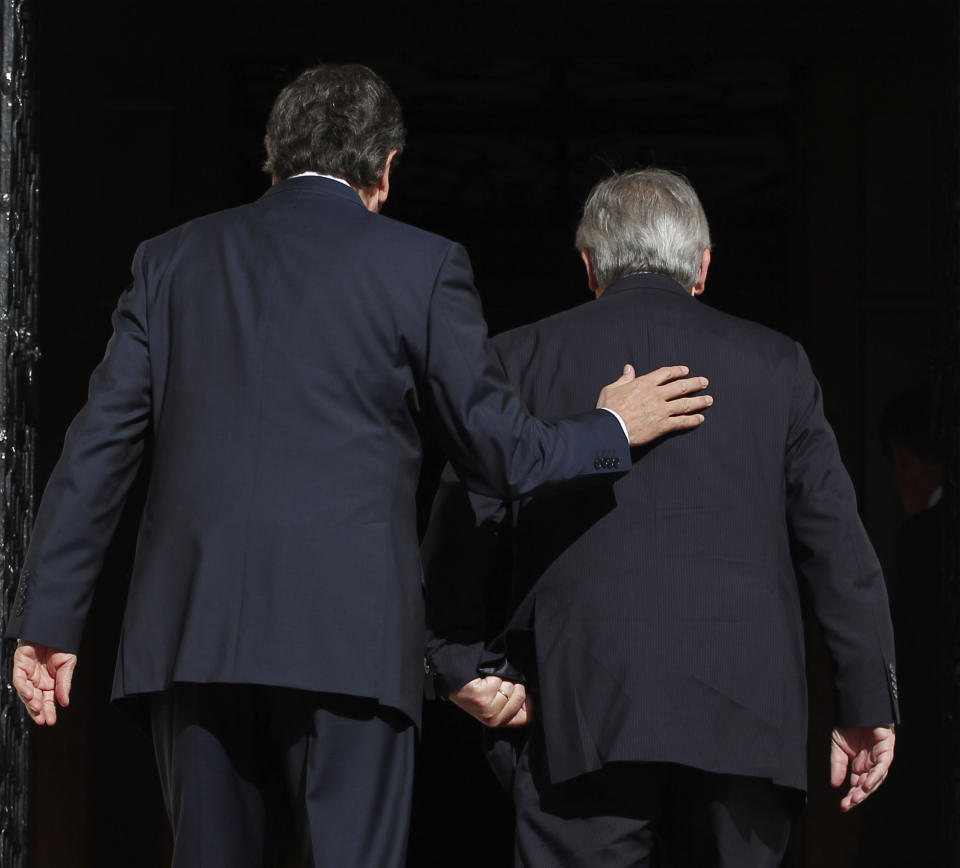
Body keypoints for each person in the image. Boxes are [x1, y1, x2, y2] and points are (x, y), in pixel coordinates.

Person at [5, 70, 713, 868]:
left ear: (272, 161)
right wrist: (613, 425)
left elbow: (99, 446)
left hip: (192, 631)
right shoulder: (421, 265)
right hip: (350, 636)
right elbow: (499, 452)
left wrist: (51, 618)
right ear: (386, 169)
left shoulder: (171, 261)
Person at [424, 168, 899, 867]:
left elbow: (465, 519)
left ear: (588, 266)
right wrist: (865, 700)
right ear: (703, 268)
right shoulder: (778, 366)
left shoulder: (518, 360)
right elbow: (836, 548)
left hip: (579, 715)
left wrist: (458, 661)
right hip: (745, 715)